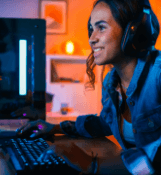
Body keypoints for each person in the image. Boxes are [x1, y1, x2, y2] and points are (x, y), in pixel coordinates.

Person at [15, 0, 161, 174]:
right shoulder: (110, 82)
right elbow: (104, 123)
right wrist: (54, 128)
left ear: (133, 32)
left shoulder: (158, 77)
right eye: (92, 29)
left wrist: (91, 164)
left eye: (101, 27)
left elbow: (156, 158)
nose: (92, 39)